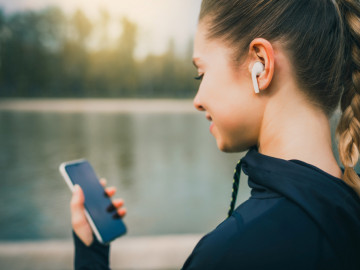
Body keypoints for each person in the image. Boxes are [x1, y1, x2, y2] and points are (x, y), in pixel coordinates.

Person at [70, 0, 360, 269]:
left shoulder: (231, 253)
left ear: (260, 65)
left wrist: (89, 257)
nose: (197, 99)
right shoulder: (349, 212)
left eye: (201, 73)